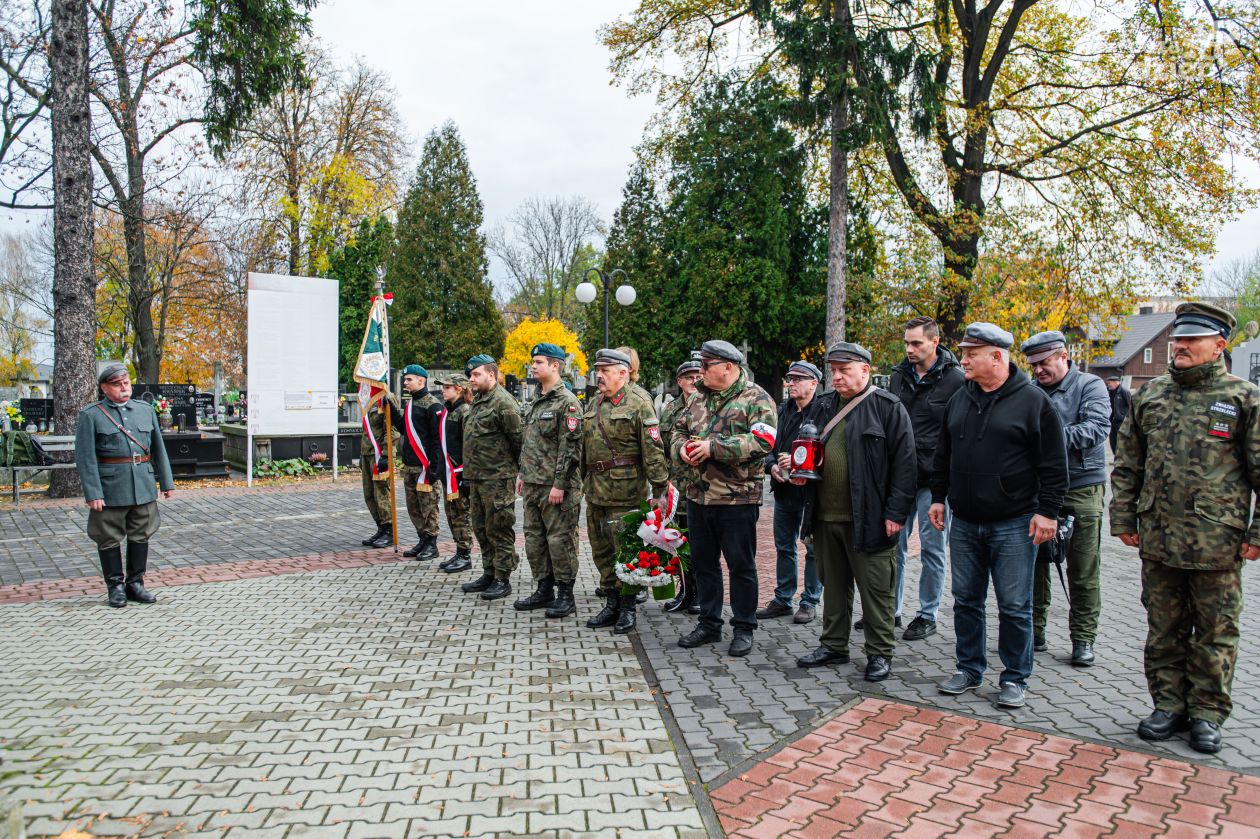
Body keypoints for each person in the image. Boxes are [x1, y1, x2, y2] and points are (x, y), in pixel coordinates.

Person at [1111, 302, 1260, 754]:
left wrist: (1256, 534)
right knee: (1164, 629)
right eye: (1178, 339)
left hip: (1218, 541)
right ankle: (1168, 706)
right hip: (1159, 538)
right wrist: (1122, 517)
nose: (1180, 346)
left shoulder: (1243, 398)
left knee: (1215, 631)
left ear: (1219, 345)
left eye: (1192, 339)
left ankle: (1207, 713)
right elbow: (1126, 464)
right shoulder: (1150, 396)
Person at [930, 322, 1068, 710]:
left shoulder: (1033, 401)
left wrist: (1048, 512)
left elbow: (1055, 465)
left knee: (1013, 605)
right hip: (965, 521)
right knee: (966, 600)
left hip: (1014, 522)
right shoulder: (960, 398)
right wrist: (938, 497)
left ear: (997, 356)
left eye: (972, 354)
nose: (964, 360)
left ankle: (1014, 677)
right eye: (964, 353)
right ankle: (970, 668)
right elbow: (944, 453)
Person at [792, 343, 917, 681]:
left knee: (876, 589)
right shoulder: (822, 406)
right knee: (833, 585)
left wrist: (896, 513)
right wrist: (796, 469)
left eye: (844, 370)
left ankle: (879, 653)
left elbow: (906, 467)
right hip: (824, 514)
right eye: (833, 370)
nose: (837, 376)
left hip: (871, 517)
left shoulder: (887, 407)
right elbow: (804, 449)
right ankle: (834, 644)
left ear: (865, 369)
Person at [671, 340, 777, 657]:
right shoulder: (698, 397)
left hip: (737, 499)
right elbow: (677, 429)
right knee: (704, 564)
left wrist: (712, 448)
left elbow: (763, 440)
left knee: (740, 566)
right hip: (698, 496)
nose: (700, 372)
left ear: (728, 367)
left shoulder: (756, 398)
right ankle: (709, 623)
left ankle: (743, 628)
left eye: (706, 366)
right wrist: (680, 449)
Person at [1020, 331, 1110, 666]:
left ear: (1063, 356)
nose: (1038, 370)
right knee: (1035, 566)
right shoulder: (1029, 391)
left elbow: (1096, 429)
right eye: (1033, 364)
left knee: (1083, 569)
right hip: (1039, 490)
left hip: (1082, 487)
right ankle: (1034, 631)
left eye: (1044, 363)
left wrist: (1046, 441)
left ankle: (1083, 639)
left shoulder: (1090, 386)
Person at [882, 316, 964, 641]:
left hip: (935, 481)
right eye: (906, 343)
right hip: (900, 477)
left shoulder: (956, 379)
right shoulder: (898, 376)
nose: (909, 349)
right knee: (894, 546)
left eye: (916, 343)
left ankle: (927, 615)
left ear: (934, 341)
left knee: (933, 549)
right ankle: (893, 610)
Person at [582, 348, 671, 633]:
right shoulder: (593, 403)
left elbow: (653, 451)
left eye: (605, 370)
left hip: (626, 493)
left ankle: (627, 609)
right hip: (595, 493)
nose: (599, 375)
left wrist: (660, 490)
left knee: (627, 553)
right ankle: (610, 603)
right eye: (598, 370)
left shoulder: (639, 402)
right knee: (602, 551)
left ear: (623, 372)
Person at [74, 365, 175, 607]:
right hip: (110, 488)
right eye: (117, 384)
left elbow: (158, 448)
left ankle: (135, 584)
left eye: (126, 382)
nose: (124, 388)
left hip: (143, 484)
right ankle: (115, 587)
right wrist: (93, 493)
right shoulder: (91, 415)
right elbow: (85, 458)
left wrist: (166, 481)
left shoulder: (145, 410)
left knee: (141, 533)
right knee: (108, 537)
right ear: (104, 388)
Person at [515, 343, 583, 619]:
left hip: (555, 486)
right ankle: (544, 588)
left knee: (560, 540)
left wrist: (560, 484)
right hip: (532, 483)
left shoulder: (567, 402)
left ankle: (565, 594)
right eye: (533, 361)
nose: (533, 365)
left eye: (539, 362)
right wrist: (522, 474)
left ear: (555, 365)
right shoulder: (535, 400)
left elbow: (571, 448)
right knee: (534, 539)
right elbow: (530, 442)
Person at [757, 360, 825, 625]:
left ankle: (809, 602)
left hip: (811, 493)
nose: (791, 383)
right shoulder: (783, 410)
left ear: (813, 383)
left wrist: (798, 464)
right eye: (790, 378)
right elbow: (769, 445)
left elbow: (827, 451)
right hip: (784, 490)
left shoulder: (824, 411)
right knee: (783, 546)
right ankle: (783, 599)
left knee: (812, 549)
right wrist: (772, 465)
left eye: (798, 378)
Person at [459, 354, 524, 601]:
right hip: (477, 478)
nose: (471, 379)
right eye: (470, 375)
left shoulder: (504, 403)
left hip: (498, 479)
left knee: (499, 528)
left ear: (492, 374)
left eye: (476, 374)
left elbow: (518, 441)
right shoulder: (479, 401)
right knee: (481, 527)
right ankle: (489, 571)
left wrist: (519, 474)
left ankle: (502, 577)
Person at [660, 356, 703, 614]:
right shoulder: (670, 410)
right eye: (689, 378)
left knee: (699, 544)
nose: (694, 381)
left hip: (700, 486)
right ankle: (684, 591)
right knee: (677, 542)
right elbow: (662, 449)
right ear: (679, 381)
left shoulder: (707, 406)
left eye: (698, 377)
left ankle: (700, 594)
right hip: (676, 487)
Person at [391, 364, 442, 560]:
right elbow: (405, 429)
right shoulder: (411, 403)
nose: (405, 383)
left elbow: (437, 439)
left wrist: (434, 469)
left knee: (428, 507)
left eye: (409, 379)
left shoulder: (433, 405)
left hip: (425, 467)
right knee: (414, 507)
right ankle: (422, 539)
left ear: (421, 380)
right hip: (410, 466)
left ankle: (432, 543)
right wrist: (393, 411)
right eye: (404, 379)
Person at [434, 373, 475, 573]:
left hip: (459, 474)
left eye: (447, 387)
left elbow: (469, 445)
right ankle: (459, 550)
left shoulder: (464, 411)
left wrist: (466, 474)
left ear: (459, 389)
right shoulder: (449, 411)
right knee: (451, 515)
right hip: (447, 473)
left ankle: (465, 554)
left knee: (461, 515)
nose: (443, 390)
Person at [359, 393, 396, 549]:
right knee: (369, 494)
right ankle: (381, 527)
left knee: (381, 492)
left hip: (379, 453)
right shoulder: (366, 398)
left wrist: (387, 454)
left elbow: (392, 429)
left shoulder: (386, 397)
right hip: (367, 453)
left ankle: (389, 530)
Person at [1106, 376, 1131, 454]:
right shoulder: (1110, 392)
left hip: (1121, 422)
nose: (1108, 385)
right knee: (1112, 440)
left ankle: (1122, 458)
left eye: (1110, 383)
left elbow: (1131, 406)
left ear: (1116, 382)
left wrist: (1125, 417)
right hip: (1112, 421)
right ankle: (1116, 457)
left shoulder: (1124, 392)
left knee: (1121, 440)